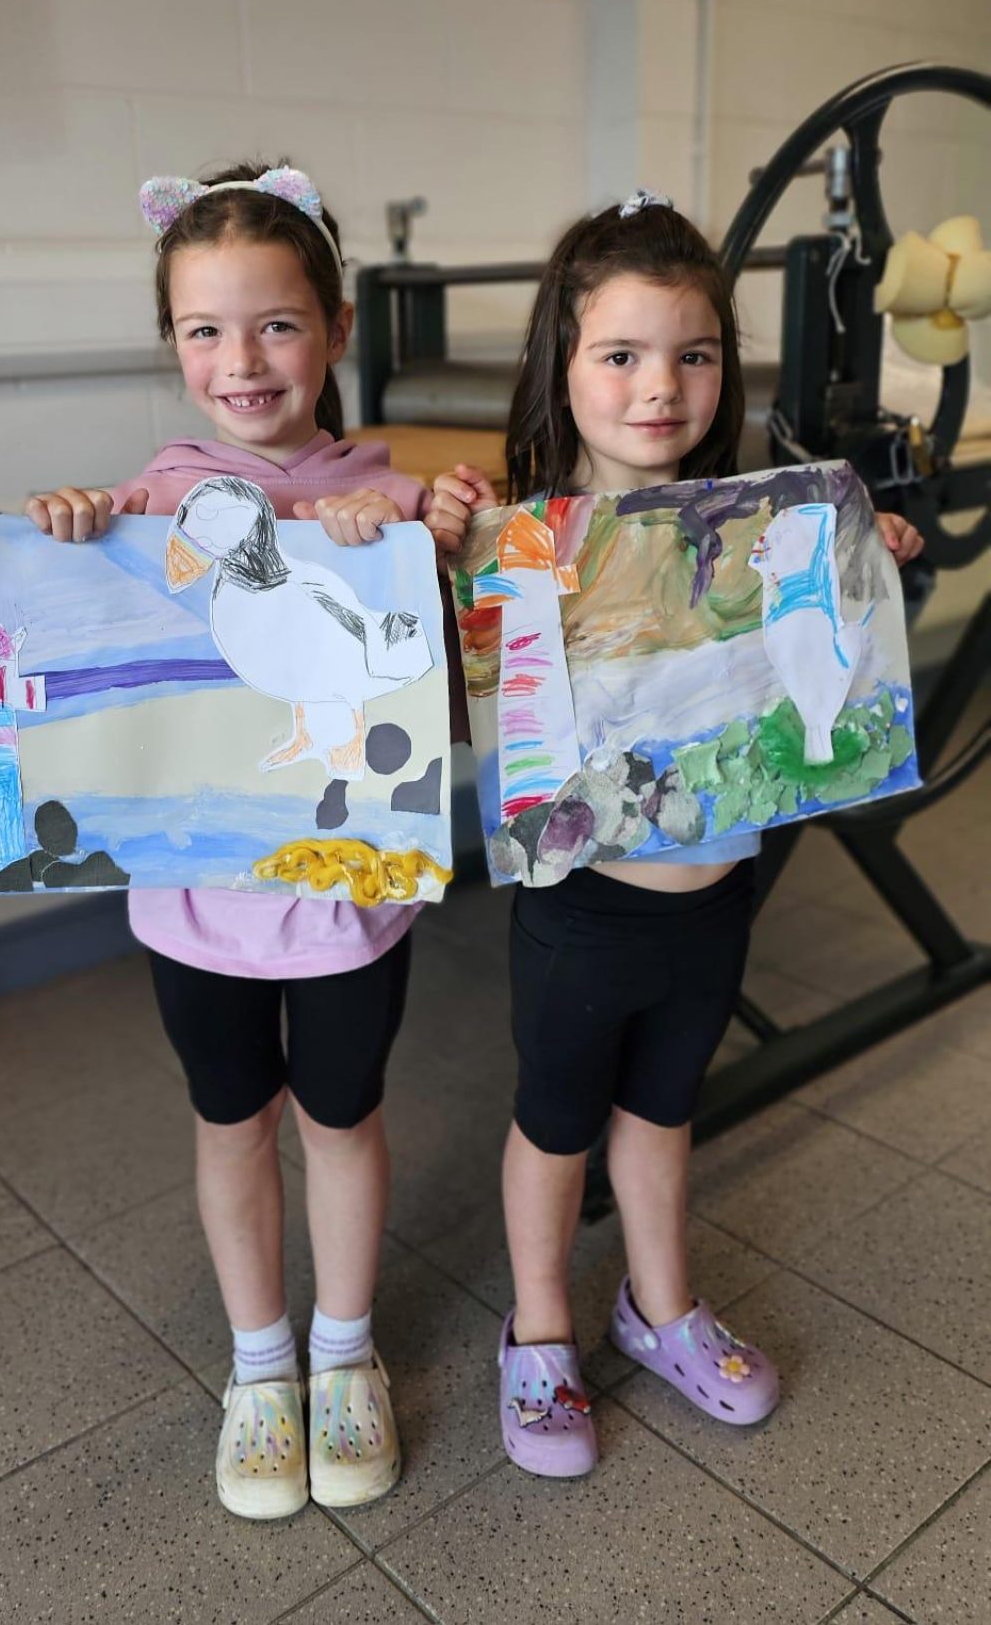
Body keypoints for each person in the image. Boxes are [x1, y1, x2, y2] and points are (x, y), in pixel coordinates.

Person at [428, 191, 923, 1478]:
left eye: (693, 354)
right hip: (581, 912)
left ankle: (659, 1308)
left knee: (662, 1109)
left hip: (717, 898)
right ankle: (540, 1332)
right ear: (564, 365)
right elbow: (451, 686)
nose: (660, 387)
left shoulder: (760, 527)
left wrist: (865, 561)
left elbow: (815, 650)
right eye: (622, 354)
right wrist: (435, 546)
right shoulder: (522, 543)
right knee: (556, 1123)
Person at [26, 161, 443, 1520]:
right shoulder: (150, 501)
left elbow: (445, 623)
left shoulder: (378, 491)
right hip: (196, 909)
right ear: (173, 343)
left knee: (343, 1118)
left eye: (275, 324)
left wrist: (415, 534)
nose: (242, 360)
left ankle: (345, 1353)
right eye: (205, 329)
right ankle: (261, 1366)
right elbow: (92, 613)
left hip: (347, 905)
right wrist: (71, 527)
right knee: (230, 1122)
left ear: (334, 328)